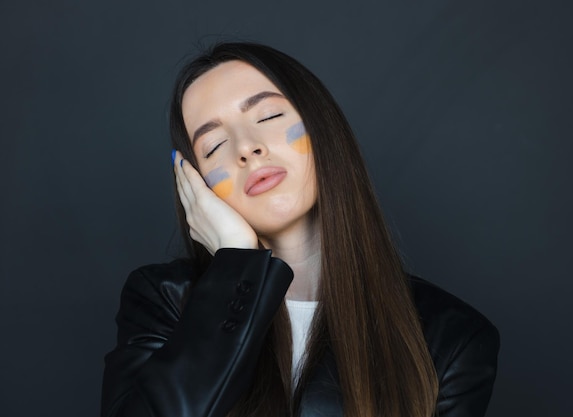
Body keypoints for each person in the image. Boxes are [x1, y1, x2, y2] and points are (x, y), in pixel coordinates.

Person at [101, 42, 499, 417]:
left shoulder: (451, 339)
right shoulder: (163, 300)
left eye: (269, 117)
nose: (246, 148)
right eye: (214, 145)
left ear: (322, 125)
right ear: (195, 183)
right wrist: (238, 264)